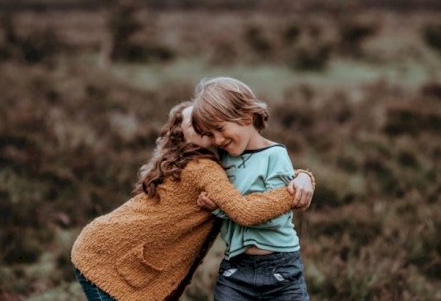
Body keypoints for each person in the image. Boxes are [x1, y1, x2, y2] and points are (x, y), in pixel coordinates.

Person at [71, 101, 315, 301]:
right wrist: (292, 193)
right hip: (105, 258)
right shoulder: (203, 168)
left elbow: (253, 178)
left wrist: (303, 176)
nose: (202, 122)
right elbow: (245, 209)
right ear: (182, 135)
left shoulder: (213, 162)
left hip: (102, 250)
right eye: (194, 122)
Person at [192, 76, 312, 300]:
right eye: (210, 134)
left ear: (246, 116)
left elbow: (274, 216)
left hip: (281, 269)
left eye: (220, 128)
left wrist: (222, 208)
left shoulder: (275, 155)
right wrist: (215, 207)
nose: (217, 139)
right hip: (236, 270)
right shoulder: (223, 160)